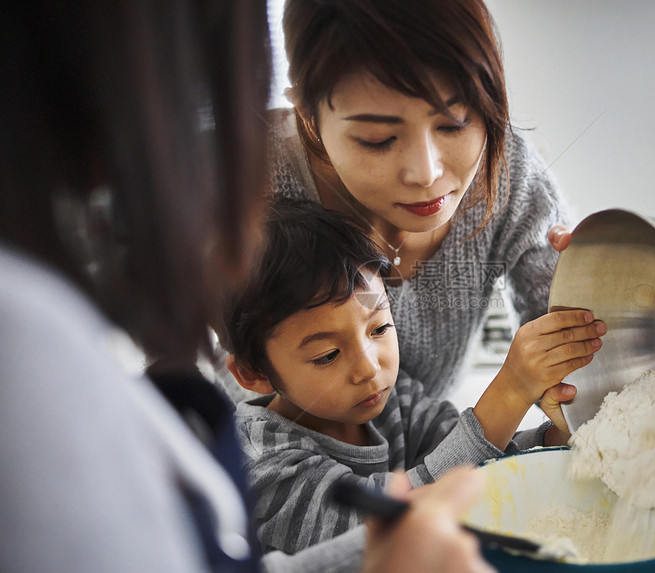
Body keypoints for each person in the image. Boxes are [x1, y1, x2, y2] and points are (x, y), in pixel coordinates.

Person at [0, 2, 493, 572]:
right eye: (378, 138)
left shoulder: (395, 401)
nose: (424, 171)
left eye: (380, 327)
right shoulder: (29, 357)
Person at [256, 0, 655, 403]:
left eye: (455, 123)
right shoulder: (251, 179)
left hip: (429, 466)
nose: (426, 173)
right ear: (307, 114)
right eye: (377, 139)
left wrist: (634, 293)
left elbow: (573, 354)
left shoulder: (511, 176)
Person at [217, 197, 604, 555]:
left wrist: (556, 434)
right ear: (253, 374)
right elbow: (391, 528)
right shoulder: (260, 460)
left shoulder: (394, 399)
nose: (369, 368)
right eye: (328, 355)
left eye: (380, 329)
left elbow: (483, 460)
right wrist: (512, 389)